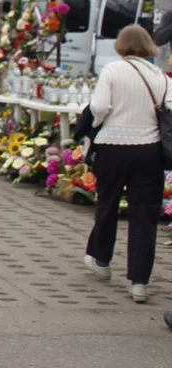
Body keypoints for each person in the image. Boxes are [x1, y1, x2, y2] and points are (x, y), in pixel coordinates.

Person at [83, 25, 170, 304]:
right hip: (150, 151)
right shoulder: (161, 77)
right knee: (145, 217)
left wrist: (95, 126)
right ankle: (139, 283)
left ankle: (102, 260)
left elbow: (99, 107)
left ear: (121, 45)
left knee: (107, 204)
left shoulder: (111, 70)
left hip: (113, 148)